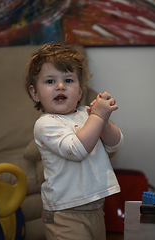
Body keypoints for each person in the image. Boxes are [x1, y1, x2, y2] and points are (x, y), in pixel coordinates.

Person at [25, 42, 123, 240]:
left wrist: (102, 120)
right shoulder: (46, 124)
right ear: (35, 93)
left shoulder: (86, 115)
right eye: (50, 81)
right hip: (65, 213)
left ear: (79, 92)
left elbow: (115, 144)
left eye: (68, 80)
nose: (60, 86)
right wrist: (96, 118)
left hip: (95, 208)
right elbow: (76, 150)